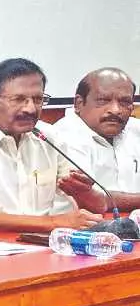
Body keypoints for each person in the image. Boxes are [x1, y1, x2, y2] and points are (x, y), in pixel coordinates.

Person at [0, 57, 102, 234]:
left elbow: (98, 205)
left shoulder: (49, 136)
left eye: (38, 99)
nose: (31, 109)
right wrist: (52, 222)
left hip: (46, 242)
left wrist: (84, 193)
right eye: (18, 99)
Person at [49, 67, 140, 213]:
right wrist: (106, 201)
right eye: (103, 100)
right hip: (89, 223)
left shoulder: (135, 129)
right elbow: (95, 201)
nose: (115, 110)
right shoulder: (62, 136)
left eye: (124, 102)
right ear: (79, 103)